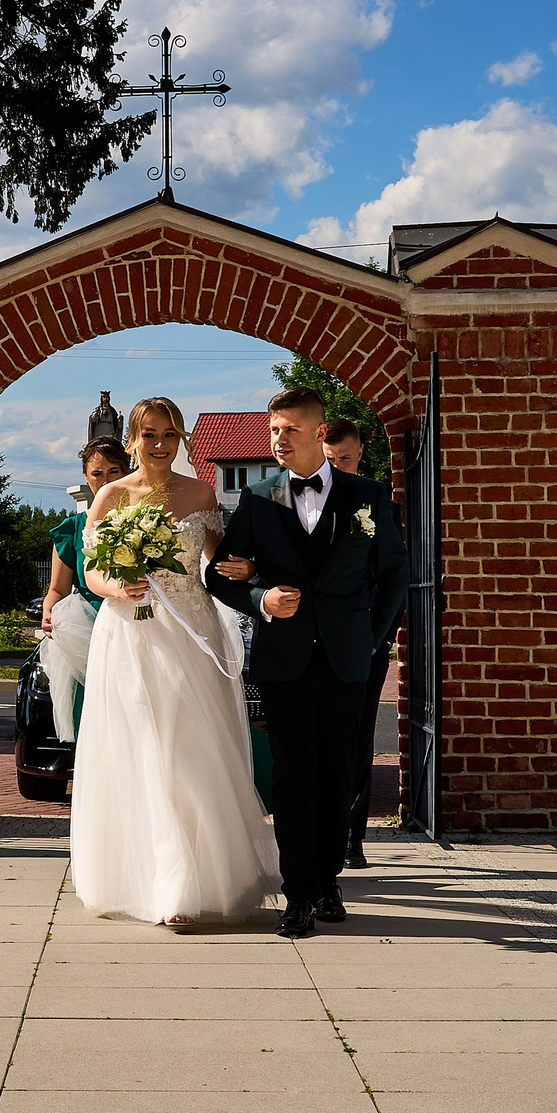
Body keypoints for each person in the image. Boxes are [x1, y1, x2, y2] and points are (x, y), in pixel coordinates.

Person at [69, 397, 279, 930]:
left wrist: (250, 567)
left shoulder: (201, 491)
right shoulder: (112, 495)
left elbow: (218, 556)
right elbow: (91, 571)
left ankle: (206, 875)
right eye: (148, 435)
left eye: (169, 434)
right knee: (143, 750)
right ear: (133, 440)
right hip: (133, 635)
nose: (159, 445)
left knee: (190, 750)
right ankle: (163, 881)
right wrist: (117, 586)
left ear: (181, 437)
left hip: (192, 633)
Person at [204, 388, 406, 937]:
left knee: (338, 774)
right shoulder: (257, 501)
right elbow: (216, 574)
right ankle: (297, 894)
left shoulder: (367, 496)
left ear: (319, 434)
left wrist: (373, 639)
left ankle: (327, 879)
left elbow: (395, 575)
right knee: (293, 776)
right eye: (273, 431)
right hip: (283, 660)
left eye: (290, 430)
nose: (278, 440)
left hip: (347, 659)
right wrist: (258, 600)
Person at [321, 418, 403, 870]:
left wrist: (377, 638)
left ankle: (352, 836)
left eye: (346, 460)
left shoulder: (378, 504)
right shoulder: (304, 500)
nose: (339, 469)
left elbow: (392, 577)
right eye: (331, 461)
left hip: (362, 643)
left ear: (362, 454)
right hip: (311, 639)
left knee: (357, 734)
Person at [40, 436, 132, 741]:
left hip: (138, 624)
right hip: (88, 634)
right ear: (85, 476)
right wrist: (48, 611)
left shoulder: (143, 521)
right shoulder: (73, 529)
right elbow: (57, 589)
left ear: (127, 471)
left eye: (113, 471)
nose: (104, 480)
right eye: (96, 473)